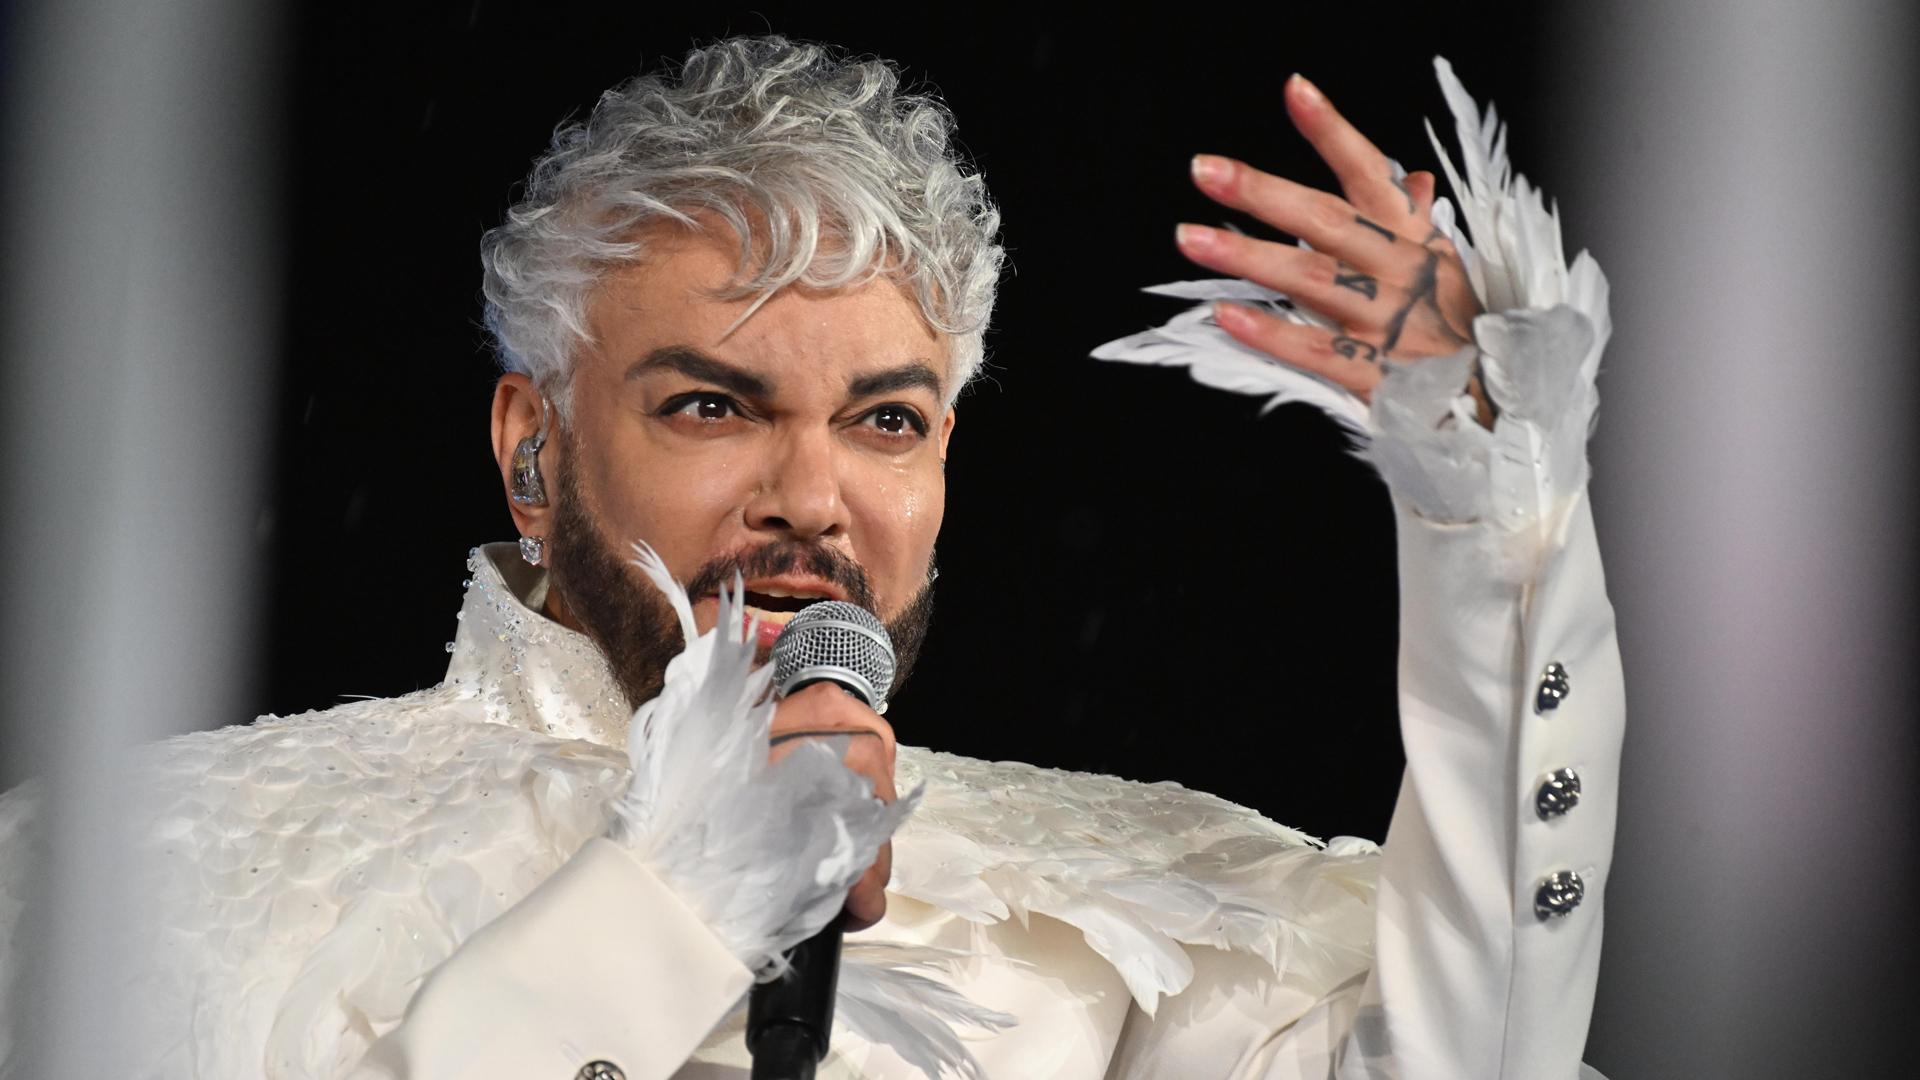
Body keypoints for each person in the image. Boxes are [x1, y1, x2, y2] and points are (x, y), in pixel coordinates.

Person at [0, 35, 1621, 1079]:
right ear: (533, 444)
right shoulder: (126, 871)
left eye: (885, 421)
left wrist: (1496, 507)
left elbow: (1472, 1051)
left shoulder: (1106, 904)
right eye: (713, 406)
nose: (812, 496)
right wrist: (675, 911)